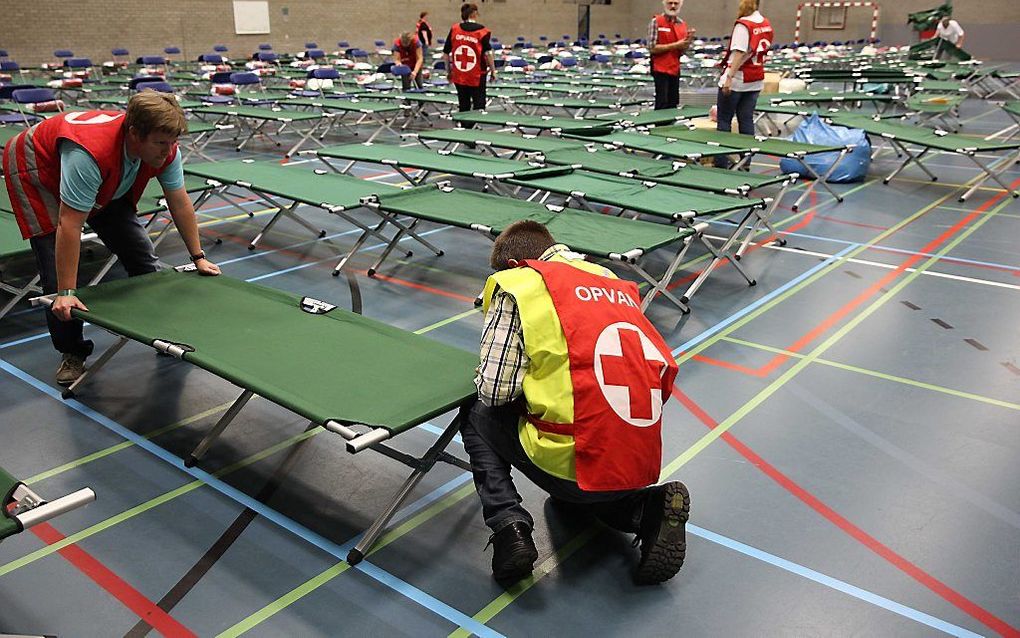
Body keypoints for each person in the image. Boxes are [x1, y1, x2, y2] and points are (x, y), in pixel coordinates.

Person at [461, 220, 690, 587]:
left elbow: (494, 391)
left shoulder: (519, 284)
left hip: (572, 457)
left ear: (513, 263)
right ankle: (645, 507)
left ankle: (510, 527)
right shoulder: (611, 280)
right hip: (634, 454)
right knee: (583, 495)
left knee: (476, 413)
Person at [2, 92, 220, 386]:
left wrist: (198, 257)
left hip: (105, 170)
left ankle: (162, 331)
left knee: (142, 255)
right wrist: (67, 291)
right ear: (134, 134)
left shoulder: (165, 149)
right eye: (160, 143)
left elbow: (179, 201)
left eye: (172, 143)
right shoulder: (87, 156)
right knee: (58, 280)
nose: (167, 151)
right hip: (38, 168)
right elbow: (69, 224)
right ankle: (72, 351)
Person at [715, 0, 772, 168]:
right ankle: (746, 163)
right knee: (746, 121)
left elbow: (739, 54)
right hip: (755, 79)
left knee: (724, 121)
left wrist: (729, 77)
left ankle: (720, 164)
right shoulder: (766, 24)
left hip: (739, 79)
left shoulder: (743, 25)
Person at [443, 2, 496, 116]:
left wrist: (449, 71)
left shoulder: (454, 29)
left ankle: (464, 128)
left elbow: (446, 53)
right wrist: (493, 71)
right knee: (479, 105)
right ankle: (475, 129)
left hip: (459, 74)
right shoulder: (482, 31)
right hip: (477, 75)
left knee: (463, 104)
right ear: (474, 13)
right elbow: (488, 54)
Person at [648, 0, 696, 111]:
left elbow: (682, 50)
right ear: (664, 4)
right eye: (670, 3)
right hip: (660, 68)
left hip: (674, 67)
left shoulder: (682, 24)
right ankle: (659, 127)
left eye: (676, 3)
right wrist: (676, 45)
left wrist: (688, 41)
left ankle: (671, 127)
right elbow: (652, 48)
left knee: (673, 101)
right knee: (662, 102)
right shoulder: (656, 22)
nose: (673, 6)